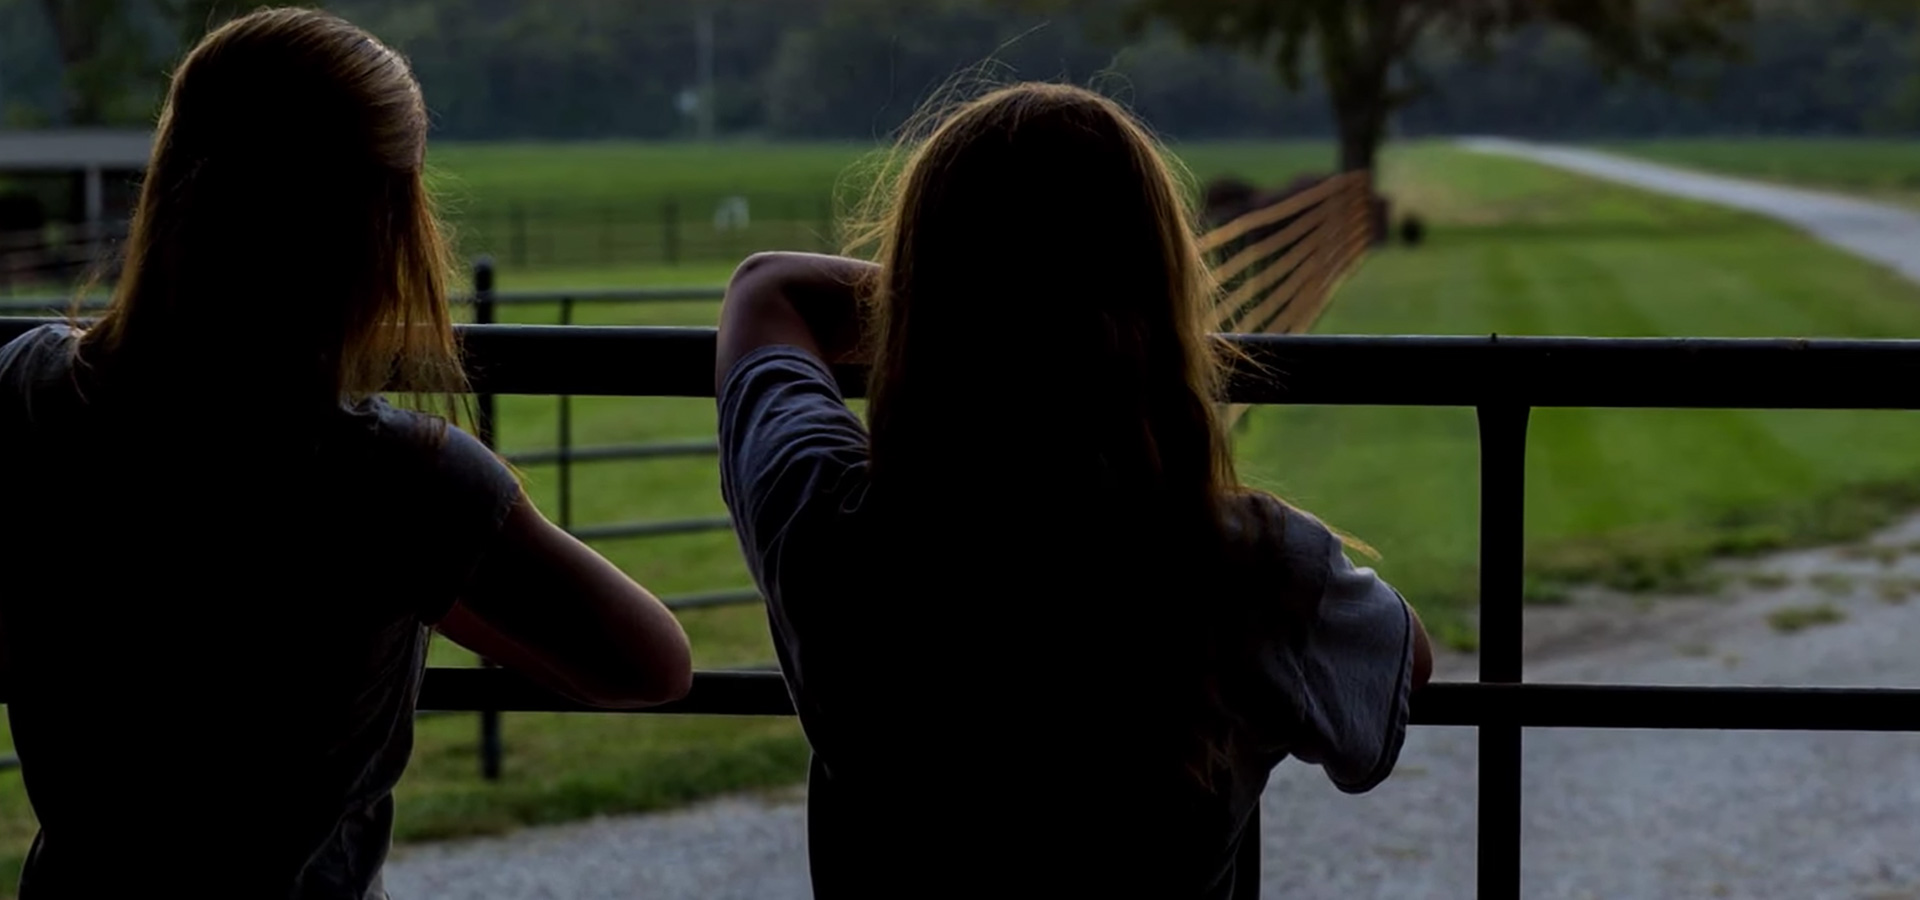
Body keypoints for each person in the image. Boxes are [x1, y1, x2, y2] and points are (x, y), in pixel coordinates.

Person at [0, 8, 692, 898]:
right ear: (384, 229)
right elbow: (652, 663)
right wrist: (439, 568)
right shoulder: (400, 480)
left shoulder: (26, 387)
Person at [715, 81, 1433, 898]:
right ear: (1157, 304)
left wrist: (958, 297)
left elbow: (767, 290)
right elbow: (1405, 662)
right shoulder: (1253, 569)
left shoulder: (828, 527)